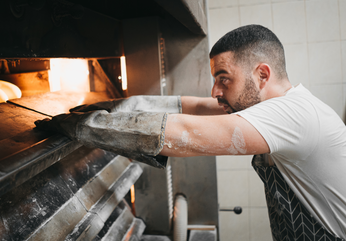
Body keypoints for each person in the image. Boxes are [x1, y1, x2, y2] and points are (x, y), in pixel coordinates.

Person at [35, 25, 346, 240]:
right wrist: (114, 105)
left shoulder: (294, 115)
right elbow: (193, 108)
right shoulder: (276, 107)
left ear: (262, 74)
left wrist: (85, 127)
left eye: (224, 79)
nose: (215, 91)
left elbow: (187, 131)